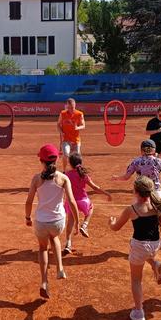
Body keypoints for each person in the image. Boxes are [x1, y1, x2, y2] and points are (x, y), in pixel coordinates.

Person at [108, 176, 161, 320]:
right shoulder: (157, 208)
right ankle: (155, 263)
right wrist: (160, 216)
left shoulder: (131, 209)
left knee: (136, 279)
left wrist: (111, 223)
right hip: (155, 245)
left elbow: (116, 227)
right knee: (141, 250)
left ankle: (138, 313)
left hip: (140, 246)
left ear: (135, 191)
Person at [25, 144, 79, 299]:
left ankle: (44, 282)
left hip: (41, 222)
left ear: (41, 161)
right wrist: (76, 221)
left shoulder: (36, 179)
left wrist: (27, 218)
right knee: (54, 238)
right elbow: (72, 202)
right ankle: (60, 268)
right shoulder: (63, 178)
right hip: (58, 222)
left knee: (42, 248)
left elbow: (29, 201)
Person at [63, 152, 112, 255]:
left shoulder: (67, 175)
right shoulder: (83, 174)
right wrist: (107, 193)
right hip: (83, 201)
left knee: (70, 222)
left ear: (70, 164)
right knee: (91, 207)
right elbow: (95, 188)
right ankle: (84, 225)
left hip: (70, 202)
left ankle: (68, 244)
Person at [57, 98, 85, 171]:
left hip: (76, 140)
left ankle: (78, 171)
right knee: (66, 154)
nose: (71, 109)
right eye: (69, 107)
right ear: (67, 106)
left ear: (75, 105)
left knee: (77, 157)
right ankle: (64, 171)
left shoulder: (79, 114)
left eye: (73, 107)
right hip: (66, 139)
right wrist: (61, 131)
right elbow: (58, 124)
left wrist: (78, 127)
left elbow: (83, 125)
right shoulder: (62, 114)